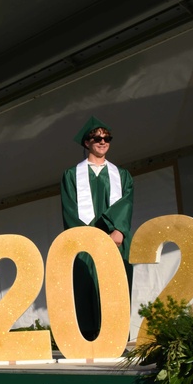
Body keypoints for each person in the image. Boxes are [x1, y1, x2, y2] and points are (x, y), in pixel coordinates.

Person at [60, 116, 134, 340]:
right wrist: (88, 236)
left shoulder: (122, 176)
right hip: (85, 243)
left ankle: (117, 336)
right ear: (86, 143)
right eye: (97, 138)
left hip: (114, 240)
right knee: (86, 285)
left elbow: (127, 203)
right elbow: (70, 209)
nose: (102, 142)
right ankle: (89, 337)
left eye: (107, 138)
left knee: (115, 285)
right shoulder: (72, 176)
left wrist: (119, 230)